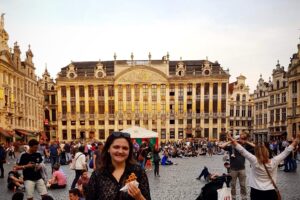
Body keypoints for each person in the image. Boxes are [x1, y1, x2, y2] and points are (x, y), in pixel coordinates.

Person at [228, 133, 299, 200]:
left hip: (256, 192)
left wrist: (232, 140)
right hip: (270, 192)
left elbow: (242, 150)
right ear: (267, 152)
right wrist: (296, 140)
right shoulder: (275, 161)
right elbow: (287, 151)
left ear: (256, 153)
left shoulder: (254, 160)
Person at [86, 131, 151, 200]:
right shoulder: (97, 175)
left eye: (125, 148)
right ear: (108, 149)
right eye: (116, 147)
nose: (120, 151)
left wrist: (139, 197)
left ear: (129, 151)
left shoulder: (139, 172)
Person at [219, 132, 254, 200]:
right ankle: (233, 198)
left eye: (239, 139)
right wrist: (230, 141)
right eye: (237, 139)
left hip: (242, 169)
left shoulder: (244, 147)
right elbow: (221, 146)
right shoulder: (230, 147)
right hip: (233, 169)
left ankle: (244, 198)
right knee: (233, 185)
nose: (238, 141)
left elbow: (254, 146)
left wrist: (246, 141)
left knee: (243, 185)